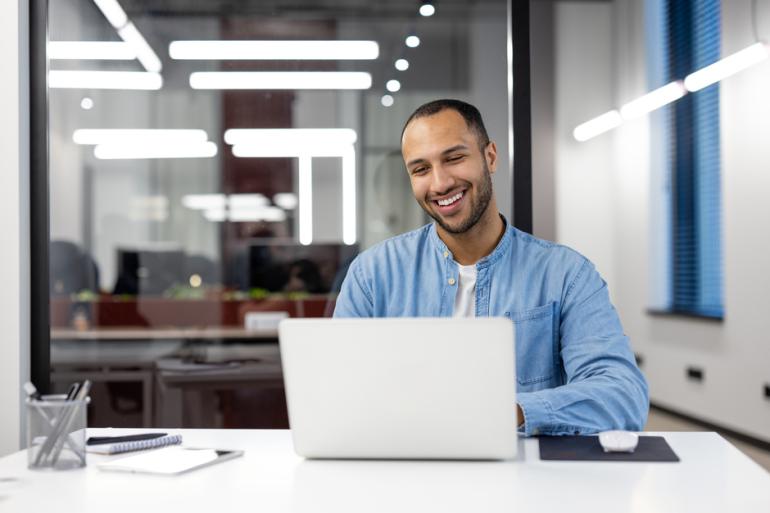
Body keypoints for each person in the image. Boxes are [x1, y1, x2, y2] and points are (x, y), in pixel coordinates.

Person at [334, 99, 649, 436]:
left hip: (524, 478)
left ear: (490, 157)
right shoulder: (372, 275)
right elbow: (336, 393)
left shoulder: (566, 275)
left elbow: (622, 396)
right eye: (421, 169)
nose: (439, 183)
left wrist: (507, 412)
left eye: (454, 158)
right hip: (406, 472)